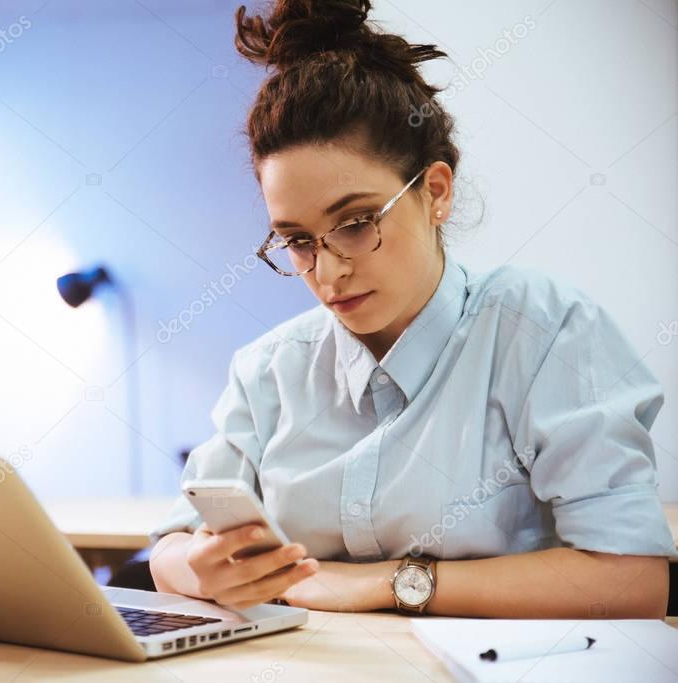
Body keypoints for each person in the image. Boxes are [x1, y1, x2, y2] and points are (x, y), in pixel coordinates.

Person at [148, 0, 676, 618]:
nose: (327, 270)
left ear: (435, 192)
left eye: (355, 223)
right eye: (296, 240)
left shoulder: (543, 328)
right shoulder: (269, 370)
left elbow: (632, 581)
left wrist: (390, 582)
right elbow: (170, 547)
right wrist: (198, 567)